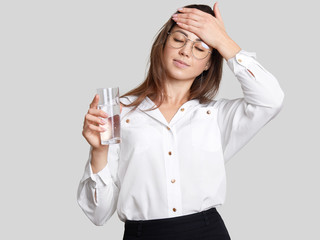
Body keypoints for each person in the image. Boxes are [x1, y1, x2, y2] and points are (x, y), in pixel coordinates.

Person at [78, 3, 284, 240]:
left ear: (208, 63)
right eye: (179, 39)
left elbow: (272, 99)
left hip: (208, 233)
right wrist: (98, 152)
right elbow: (98, 215)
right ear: (163, 44)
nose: (186, 51)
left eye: (200, 47)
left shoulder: (216, 116)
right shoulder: (120, 112)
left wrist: (223, 41)